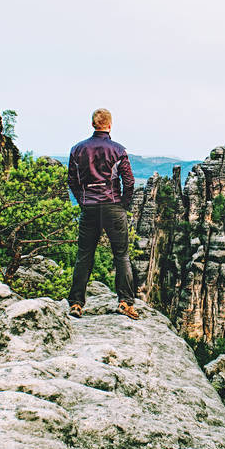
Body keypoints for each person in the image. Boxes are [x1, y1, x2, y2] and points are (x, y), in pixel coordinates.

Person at [66, 108, 138, 319]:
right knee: (122, 256)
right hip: (113, 205)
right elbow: (129, 181)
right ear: (110, 125)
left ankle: (76, 304)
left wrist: (83, 200)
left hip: (89, 207)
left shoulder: (77, 149)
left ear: (93, 124)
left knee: (84, 256)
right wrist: (122, 204)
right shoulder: (118, 150)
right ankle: (125, 302)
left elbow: (72, 180)